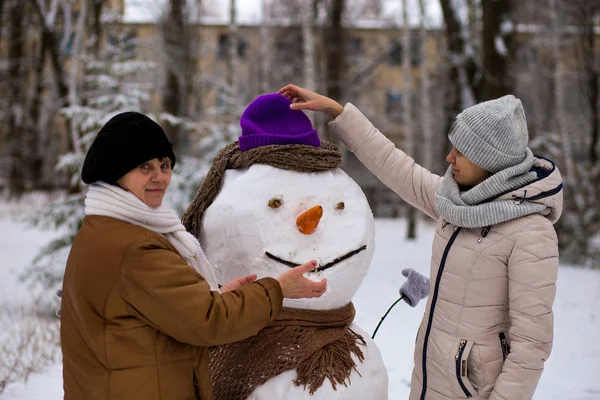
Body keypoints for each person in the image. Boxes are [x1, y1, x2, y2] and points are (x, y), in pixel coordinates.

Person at [278, 84, 563, 400]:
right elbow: (395, 166)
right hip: (430, 378)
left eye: (461, 152)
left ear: (490, 161)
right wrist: (339, 113)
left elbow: (532, 344)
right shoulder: (456, 204)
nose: (449, 156)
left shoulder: (530, 233)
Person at [60, 111, 327, 400]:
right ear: (116, 171)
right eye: (144, 166)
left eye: (164, 164)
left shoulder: (103, 229)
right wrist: (277, 289)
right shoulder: (135, 247)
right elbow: (210, 321)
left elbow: (162, 311)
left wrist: (219, 295)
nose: (159, 176)